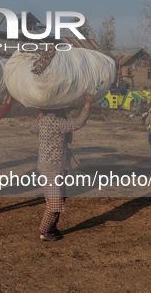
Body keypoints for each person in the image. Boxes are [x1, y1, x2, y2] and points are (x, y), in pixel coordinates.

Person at [30, 93, 94, 242]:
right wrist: (87, 104)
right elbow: (79, 122)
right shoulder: (60, 123)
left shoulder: (42, 122)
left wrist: (40, 114)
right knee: (54, 203)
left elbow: (32, 128)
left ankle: (52, 227)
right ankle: (44, 231)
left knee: (58, 199)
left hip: (49, 167)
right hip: (53, 168)